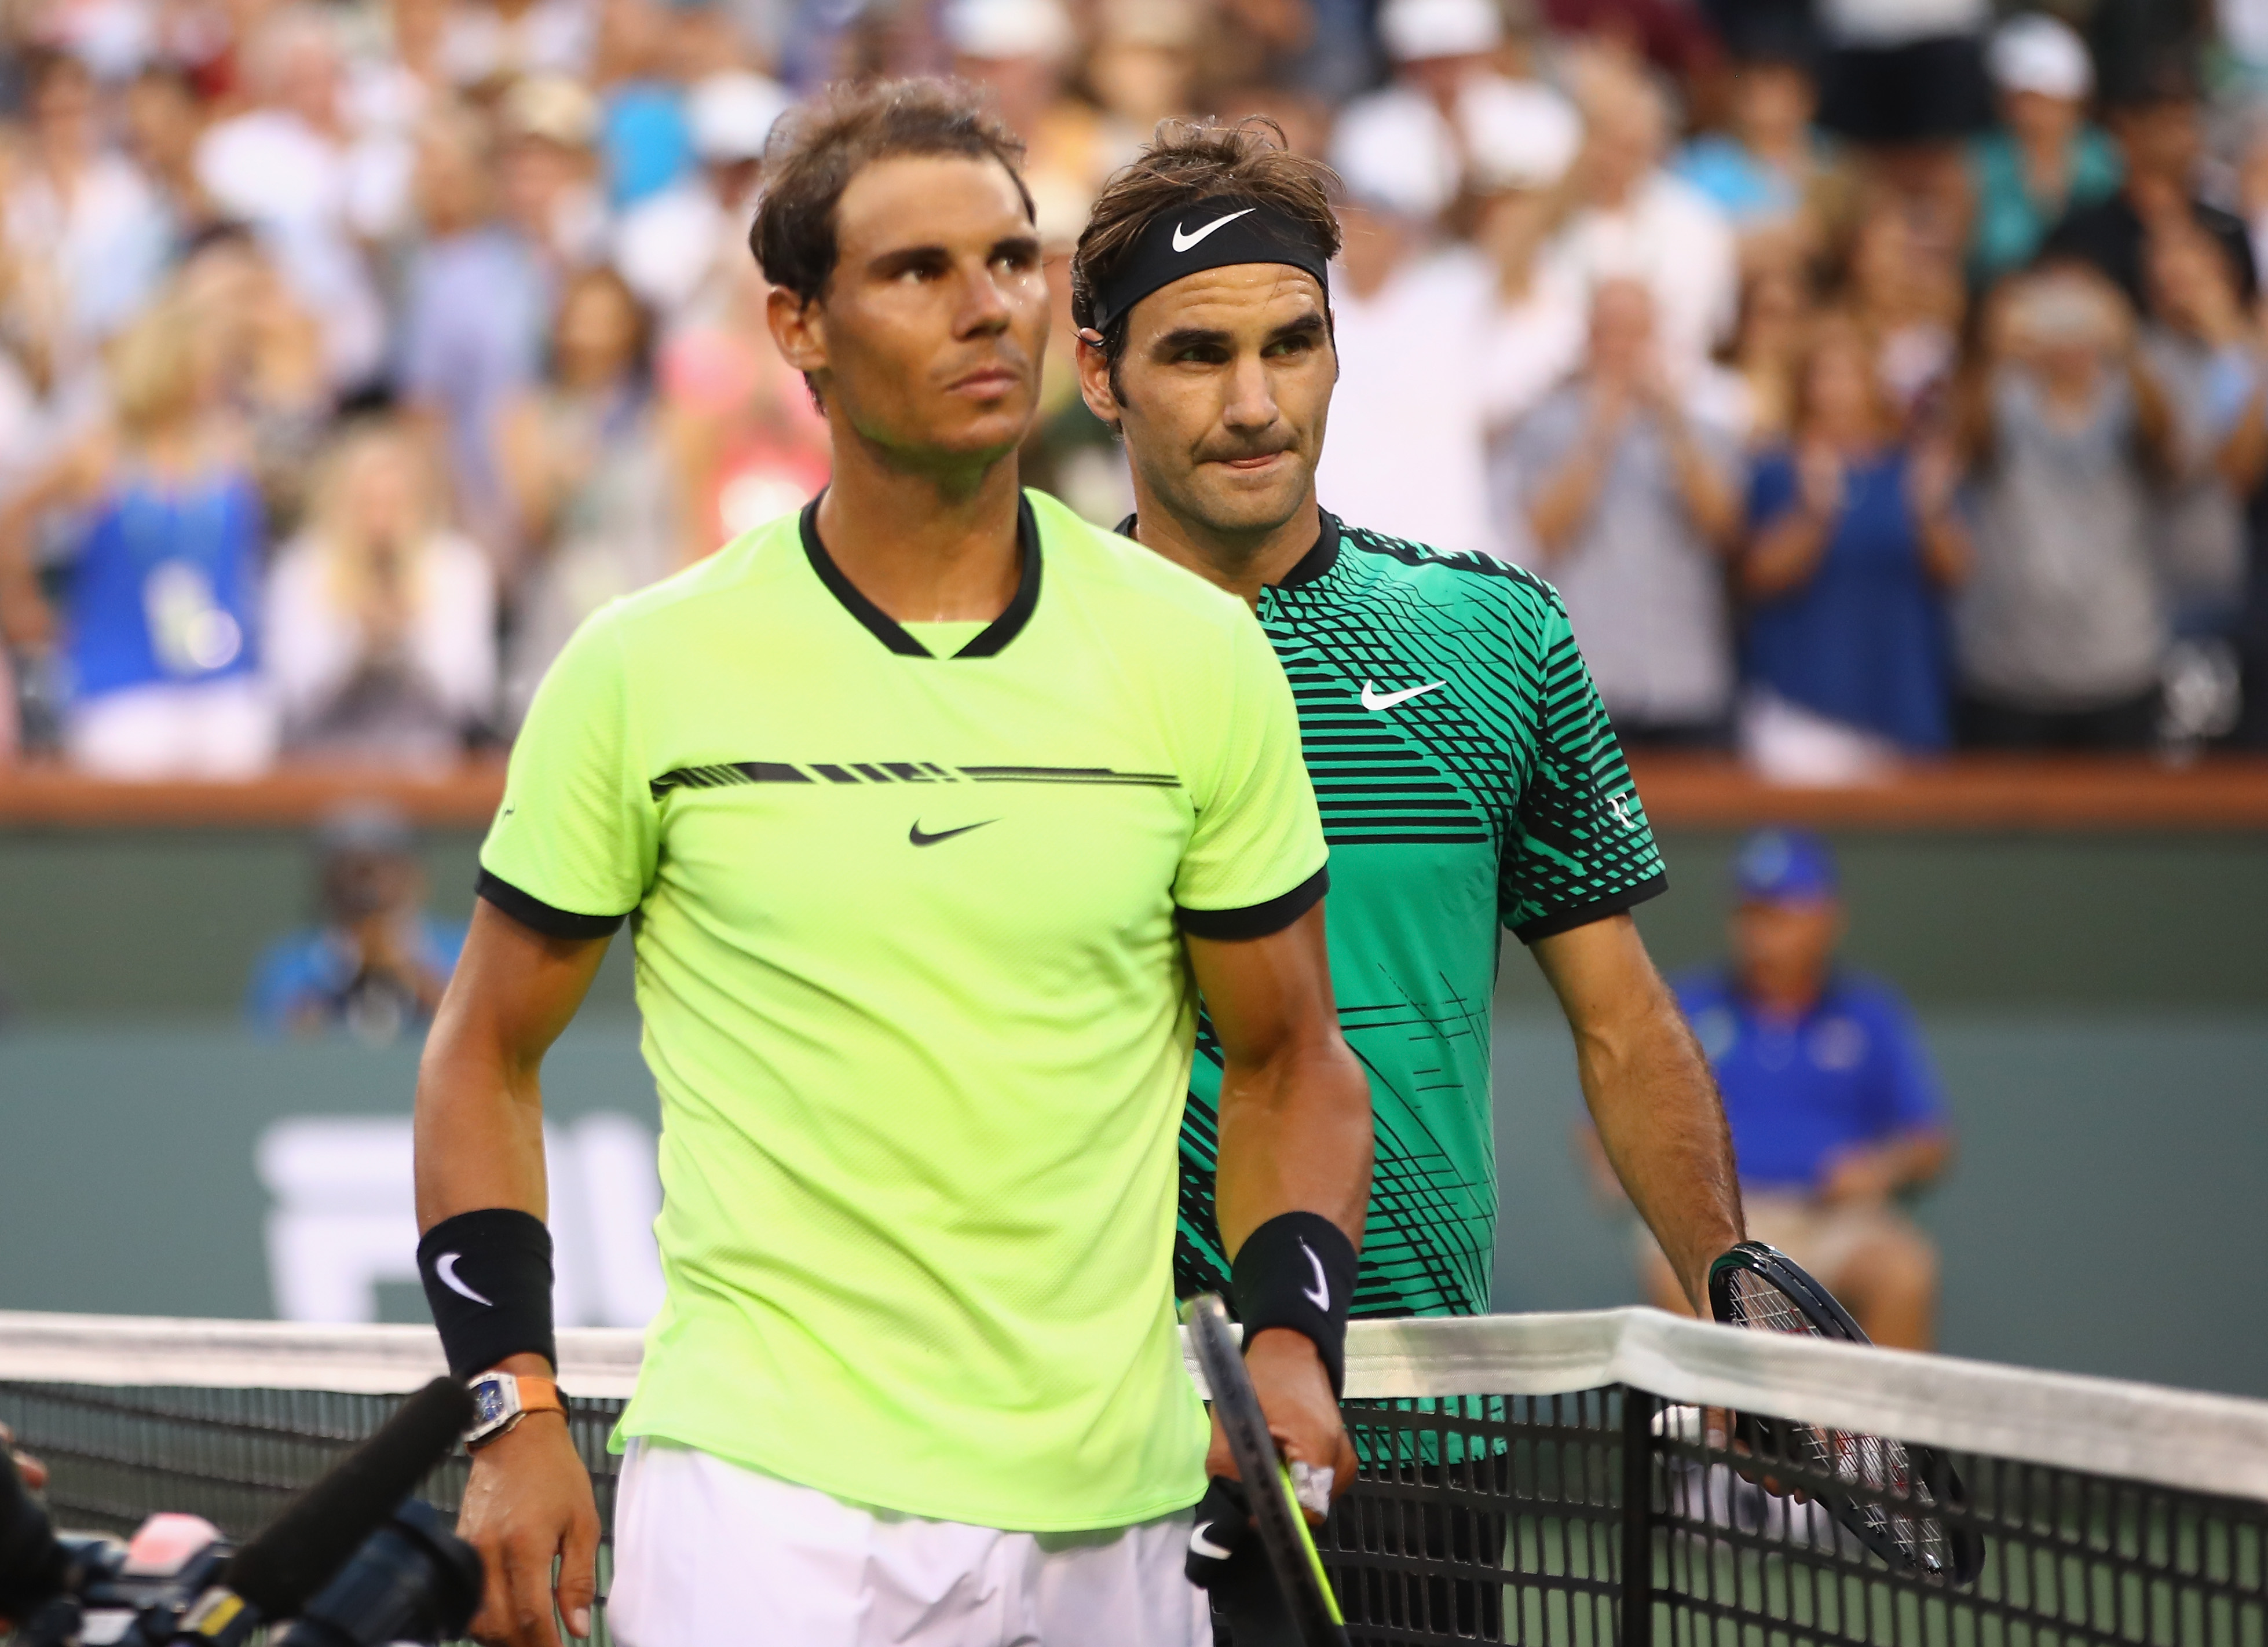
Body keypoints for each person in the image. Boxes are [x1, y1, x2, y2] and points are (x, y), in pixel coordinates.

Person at [413, 78, 1371, 1647]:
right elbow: (480, 1052)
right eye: (916, 273)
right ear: (796, 325)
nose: (983, 307)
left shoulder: (1197, 659)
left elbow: (1291, 1058)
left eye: (1007, 259)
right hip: (759, 1500)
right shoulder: (643, 668)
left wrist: (1289, 1334)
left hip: (1117, 1508)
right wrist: (511, 1408)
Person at [1070, 115, 1744, 1632]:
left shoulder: (1494, 641)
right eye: (1193, 356)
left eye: (1291, 344)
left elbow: (1622, 1021)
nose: (1253, 404)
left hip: (1410, 1423)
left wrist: (1726, 1283)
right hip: (1091, 1426)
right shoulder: (1022, 666)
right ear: (1101, 373)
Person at [1656, 829, 1951, 1351]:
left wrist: (1882, 1168)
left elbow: (1929, 1141)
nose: (1761, 935)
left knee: (1903, 1273)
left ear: (1826, 919)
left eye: (1780, 916)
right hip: (1728, 1220)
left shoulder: (1869, 1013)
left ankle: (1879, 1434)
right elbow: (1610, 1129)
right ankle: (1717, 1435)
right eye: (1749, 915)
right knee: (1671, 1269)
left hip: (1836, 1220)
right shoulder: (1690, 1008)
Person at [0, 295, 277, 778]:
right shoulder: (98, 454)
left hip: (226, 680)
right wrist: (26, 611)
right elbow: (11, 522)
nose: (218, 382)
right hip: (121, 682)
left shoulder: (236, 450)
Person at [1499, 277, 1745, 746]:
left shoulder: (1704, 428)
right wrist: (1601, 430)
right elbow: (1542, 532)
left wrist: (1672, 424)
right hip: (1585, 684)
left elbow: (1724, 530)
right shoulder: (1545, 425)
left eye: (1638, 332)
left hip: (1684, 679)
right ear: (1590, 339)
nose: (1625, 347)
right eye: (1613, 331)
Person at [1954, 262, 2175, 749]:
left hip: (2119, 662)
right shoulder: (1997, 394)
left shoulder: (2130, 393)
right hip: (2007, 667)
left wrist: (2126, 344)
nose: (2065, 332)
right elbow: (1963, 442)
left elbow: (2166, 448)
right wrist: (1997, 347)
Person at [1740, 316, 1969, 782]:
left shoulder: (1912, 470)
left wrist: (1929, 511)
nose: (1837, 391)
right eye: (1823, 376)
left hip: (1901, 705)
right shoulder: (1780, 468)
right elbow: (1758, 578)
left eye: (1850, 374)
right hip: (1803, 711)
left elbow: (1957, 571)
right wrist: (1814, 513)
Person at [494, 266, 679, 726]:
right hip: (561, 612)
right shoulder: (530, 415)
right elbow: (531, 529)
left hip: (646, 605)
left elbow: (685, 526)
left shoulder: (669, 417)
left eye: (607, 319)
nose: (593, 335)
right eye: (582, 319)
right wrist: (561, 480)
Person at [265, 418, 497, 763]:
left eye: (394, 503)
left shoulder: (456, 567)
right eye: (366, 503)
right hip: (325, 769)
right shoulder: (304, 567)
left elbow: (473, 698)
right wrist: (357, 640)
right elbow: (291, 698)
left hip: (429, 769)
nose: (380, 522)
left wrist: (407, 634)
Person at [2043, 54, 2259, 314]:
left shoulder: (2228, 230)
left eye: (2190, 120)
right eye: (2170, 121)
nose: (2187, 137)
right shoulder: (2082, 236)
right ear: (2126, 128)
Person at [246, 803, 467, 1041]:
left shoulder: (464, 953)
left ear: (414, 873)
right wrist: (338, 977)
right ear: (326, 880)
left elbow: (480, 1039)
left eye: (384, 862)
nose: (367, 881)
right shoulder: (287, 965)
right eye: (348, 865)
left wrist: (414, 977)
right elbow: (267, 1050)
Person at [1965, 12, 2123, 289]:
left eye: (2043, 102)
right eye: (2019, 100)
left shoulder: (2103, 158)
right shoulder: (1979, 160)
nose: (2029, 115)